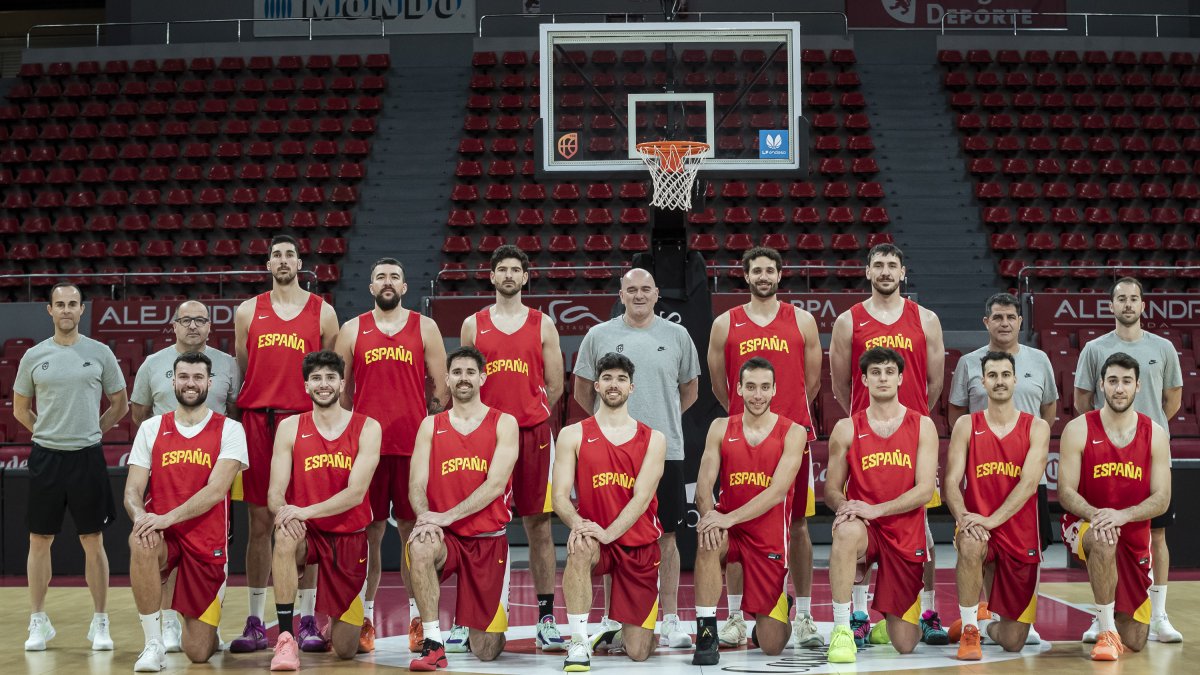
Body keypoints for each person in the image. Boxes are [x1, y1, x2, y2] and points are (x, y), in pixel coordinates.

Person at [573, 268, 700, 648]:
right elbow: (583, 390)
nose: (640, 295)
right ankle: (613, 619)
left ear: (657, 293)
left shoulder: (677, 335)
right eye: (632, 290)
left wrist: (660, 425)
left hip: (666, 451)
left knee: (668, 536)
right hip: (612, 452)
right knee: (613, 533)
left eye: (646, 289)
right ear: (621, 294)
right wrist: (612, 428)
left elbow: (689, 390)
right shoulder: (599, 335)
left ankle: (673, 618)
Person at [828, 243, 946, 644]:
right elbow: (841, 384)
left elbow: (933, 384)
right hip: (865, 440)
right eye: (878, 265)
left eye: (892, 265)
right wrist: (869, 419)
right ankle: (857, 615)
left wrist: (905, 422)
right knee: (854, 520)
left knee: (924, 533)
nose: (885, 271)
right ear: (867, 272)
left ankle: (927, 610)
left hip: (912, 438)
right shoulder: (849, 321)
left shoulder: (926, 319)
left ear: (903, 271)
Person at [706, 247, 822, 649]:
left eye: (769, 270)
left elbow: (812, 381)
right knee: (735, 521)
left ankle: (804, 612)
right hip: (744, 438)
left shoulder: (802, 320)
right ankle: (736, 616)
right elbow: (720, 382)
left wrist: (783, 421)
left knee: (800, 524)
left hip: (791, 436)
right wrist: (743, 418)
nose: (763, 276)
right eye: (756, 270)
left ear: (779, 275)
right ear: (746, 275)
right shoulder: (725, 323)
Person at [230, 234, 339, 653]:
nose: (282, 260)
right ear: (268, 262)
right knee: (260, 524)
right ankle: (257, 620)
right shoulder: (247, 310)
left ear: (299, 262)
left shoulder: (322, 312)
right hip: (259, 420)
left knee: (304, 522)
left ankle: (307, 618)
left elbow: (326, 371)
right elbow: (245, 363)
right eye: (276, 254)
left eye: (289, 254)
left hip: (305, 422)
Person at [335, 258, 448, 653]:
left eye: (394, 277)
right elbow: (341, 391)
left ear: (404, 287)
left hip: (412, 448)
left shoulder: (425, 327)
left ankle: (419, 618)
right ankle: (366, 617)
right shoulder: (352, 329)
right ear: (371, 287)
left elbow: (441, 389)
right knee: (369, 533)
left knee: (413, 533)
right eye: (380, 276)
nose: (387, 282)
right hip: (367, 450)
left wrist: (430, 434)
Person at [460, 245, 565, 653]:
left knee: (538, 525)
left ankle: (544, 617)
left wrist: (529, 410)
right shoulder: (474, 324)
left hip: (532, 434)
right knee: (481, 525)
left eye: (514, 270)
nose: (507, 275)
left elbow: (555, 385)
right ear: (491, 276)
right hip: (485, 437)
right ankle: (476, 615)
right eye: (501, 269)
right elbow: (466, 377)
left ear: (525, 277)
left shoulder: (542, 324)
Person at [15, 282, 129, 651]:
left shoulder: (100, 353)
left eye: (73, 304)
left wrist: (92, 431)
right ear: (49, 310)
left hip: (87, 456)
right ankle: (38, 621)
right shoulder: (33, 356)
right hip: (46, 456)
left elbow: (120, 404)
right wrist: (47, 433)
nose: (66, 310)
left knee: (92, 539)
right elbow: (19, 409)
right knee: (39, 539)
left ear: (82, 310)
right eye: (59, 304)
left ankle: (100, 622)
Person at [1073, 277, 1183, 643]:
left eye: (1134, 298)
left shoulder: (1163, 347)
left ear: (1142, 304)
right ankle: (1100, 615)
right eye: (1121, 298)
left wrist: (1148, 430)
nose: (1128, 304)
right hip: (1107, 448)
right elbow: (1082, 398)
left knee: (1157, 533)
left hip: (1150, 448)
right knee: (1103, 532)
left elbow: (1172, 400)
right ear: (1111, 305)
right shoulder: (1094, 348)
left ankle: (1160, 612)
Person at [123, 352, 248, 670]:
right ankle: (153, 644)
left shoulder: (230, 430)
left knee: (198, 651)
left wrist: (165, 518)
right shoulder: (151, 428)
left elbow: (216, 490)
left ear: (209, 382)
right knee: (141, 539)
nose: (190, 383)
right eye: (183, 377)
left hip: (206, 544)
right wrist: (141, 518)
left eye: (197, 378)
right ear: (173, 381)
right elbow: (132, 491)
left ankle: (205, 623)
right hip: (165, 539)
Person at [946, 292, 1056, 645]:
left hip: (1018, 503)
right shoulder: (968, 414)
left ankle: (1002, 622)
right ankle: (970, 627)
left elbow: (1048, 410)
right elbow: (951, 479)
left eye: (1005, 375)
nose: (998, 381)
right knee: (973, 542)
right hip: (980, 507)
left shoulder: (1037, 413)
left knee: (1014, 639)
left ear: (1015, 378)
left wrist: (990, 521)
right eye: (991, 375)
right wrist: (965, 517)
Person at [265, 350, 381, 670]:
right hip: (309, 533)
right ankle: (287, 638)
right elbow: (275, 492)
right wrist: (287, 513)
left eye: (331, 377)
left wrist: (303, 511)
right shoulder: (290, 428)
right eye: (316, 378)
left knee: (345, 650)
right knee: (284, 534)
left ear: (342, 383)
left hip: (349, 536)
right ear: (306, 386)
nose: (324, 384)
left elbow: (355, 494)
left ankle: (335, 624)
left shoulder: (368, 427)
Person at [406, 346, 519, 671]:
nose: (464, 378)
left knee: (486, 650)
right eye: (457, 373)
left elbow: (496, 484)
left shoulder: (504, 423)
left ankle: (471, 620)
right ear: (448, 379)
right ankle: (433, 643)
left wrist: (445, 515)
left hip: (488, 539)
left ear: (483, 377)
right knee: (421, 544)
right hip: (447, 538)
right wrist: (427, 519)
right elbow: (416, 484)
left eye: (471, 372)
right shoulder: (432, 425)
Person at [823, 347, 938, 664]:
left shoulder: (922, 426)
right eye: (875, 372)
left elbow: (925, 490)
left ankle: (889, 621)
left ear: (901, 378)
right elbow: (831, 489)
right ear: (864, 379)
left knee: (905, 644)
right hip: (865, 529)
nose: (883, 378)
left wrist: (877, 509)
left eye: (889, 371)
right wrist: (846, 507)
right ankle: (842, 629)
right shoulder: (846, 428)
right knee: (845, 531)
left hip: (903, 532)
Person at [555, 352, 667, 670]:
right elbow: (560, 497)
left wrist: (608, 533)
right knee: (579, 546)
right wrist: (579, 524)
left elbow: (642, 497)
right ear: (597, 385)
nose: (613, 384)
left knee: (639, 651)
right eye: (607, 378)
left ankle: (625, 629)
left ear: (631, 387)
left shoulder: (654, 439)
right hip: (595, 539)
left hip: (638, 545)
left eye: (620, 379)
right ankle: (578, 643)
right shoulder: (573, 434)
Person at [691, 357, 807, 665]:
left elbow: (778, 491)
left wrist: (727, 517)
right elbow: (704, 486)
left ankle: (781, 604)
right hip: (730, 530)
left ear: (774, 390)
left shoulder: (793, 432)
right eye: (751, 387)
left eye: (765, 388)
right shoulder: (720, 427)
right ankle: (706, 632)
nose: (758, 395)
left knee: (772, 645)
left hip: (767, 539)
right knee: (707, 539)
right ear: (739, 388)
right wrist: (709, 519)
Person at [1059, 352, 1171, 660]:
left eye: (1125, 382)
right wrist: (1098, 516)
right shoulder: (1079, 429)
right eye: (1112, 382)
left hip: (1133, 532)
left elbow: (1162, 498)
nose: (1118, 389)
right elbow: (1065, 491)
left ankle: (1110, 616)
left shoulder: (1155, 434)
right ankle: (1106, 628)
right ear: (1100, 386)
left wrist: (1122, 515)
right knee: (1104, 537)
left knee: (1135, 640)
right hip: (1084, 523)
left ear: (1138, 386)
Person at [131, 300, 240, 424]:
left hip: (215, 442)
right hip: (167, 441)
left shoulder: (228, 363)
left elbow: (235, 413)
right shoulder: (151, 364)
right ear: (175, 326)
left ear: (209, 326)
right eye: (186, 320)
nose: (192, 326)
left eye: (200, 320)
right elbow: (139, 416)